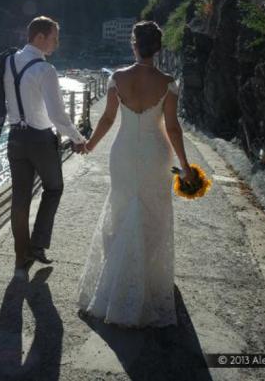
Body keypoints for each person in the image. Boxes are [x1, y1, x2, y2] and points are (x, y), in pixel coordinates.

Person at [76, 20, 194, 328]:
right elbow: (172, 128)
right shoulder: (168, 82)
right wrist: (185, 164)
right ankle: (148, 279)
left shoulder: (117, 78)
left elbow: (106, 118)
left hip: (124, 152)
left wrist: (90, 144)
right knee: (153, 211)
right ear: (158, 48)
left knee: (122, 206)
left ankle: (120, 276)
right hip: (157, 153)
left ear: (133, 44)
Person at [5, 16, 87, 280]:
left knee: (19, 198)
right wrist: (77, 137)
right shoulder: (45, 70)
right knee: (54, 187)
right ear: (39, 37)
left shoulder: (8, 62)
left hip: (15, 137)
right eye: (54, 37)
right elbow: (57, 115)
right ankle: (37, 244)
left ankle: (22, 256)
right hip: (40, 139)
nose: (57, 43)